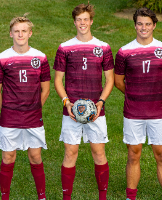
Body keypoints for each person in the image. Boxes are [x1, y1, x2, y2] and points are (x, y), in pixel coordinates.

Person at [53, 3, 114, 200]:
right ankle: (66, 197)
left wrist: (101, 102)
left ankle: (102, 197)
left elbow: (110, 80)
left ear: (91, 21)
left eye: (85, 19)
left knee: (98, 152)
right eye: (79, 20)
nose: (82, 23)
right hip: (71, 110)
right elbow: (58, 80)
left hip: (96, 110)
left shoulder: (103, 47)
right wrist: (66, 102)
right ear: (74, 22)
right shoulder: (65, 48)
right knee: (70, 153)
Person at [114, 7, 162, 200]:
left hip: (158, 111)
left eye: (148, 24)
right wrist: (134, 94)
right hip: (134, 112)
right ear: (134, 25)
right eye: (140, 23)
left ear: (154, 26)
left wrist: (156, 93)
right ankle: (130, 197)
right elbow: (118, 81)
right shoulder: (124, 51)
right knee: (133, 154)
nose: (144, 27)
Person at [0, 14, 51, 200]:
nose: (20, 34)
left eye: (24, 31)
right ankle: (5, 197)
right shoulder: (1, 59)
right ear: (10, 34)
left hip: (33, 117)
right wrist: (8, 110)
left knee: (35, 156)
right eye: (16, 31)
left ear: (30, 33)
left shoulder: (40, 57)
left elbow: (46, 89)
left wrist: (33, 108)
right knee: (8, 157)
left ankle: (42, 196)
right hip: (10, 118)